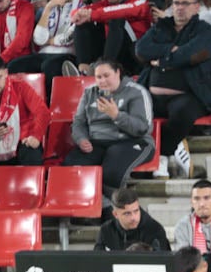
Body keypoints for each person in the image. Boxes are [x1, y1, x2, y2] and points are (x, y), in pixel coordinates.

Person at [135, 0, 211, 178]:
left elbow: (192, 55)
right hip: (152, 95)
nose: (179, 7)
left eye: (185, 3)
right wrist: (171, 51)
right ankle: (140, 161)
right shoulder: (161, 27)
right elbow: (141, 50)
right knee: (130, 112)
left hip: (191, 94)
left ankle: (164, 155)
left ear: (196, 6)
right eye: (176, 3)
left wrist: (162, 59)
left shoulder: (205, 30)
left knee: (182, 112)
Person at [64, 60, 155, 206]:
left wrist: (117, 116)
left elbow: (144, 127)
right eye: (98, 77)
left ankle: (120, 208)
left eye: (106, 75)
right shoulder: (89, 92)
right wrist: (81, 138)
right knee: (71, 166)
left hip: (132, 140)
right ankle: (105, 207)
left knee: (111, 171)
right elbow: (79, 122)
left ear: (118, 73)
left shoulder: (137, 92)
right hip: (98, 141)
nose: (102, 80)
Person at [94, 188, 171, 252]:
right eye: (127, 213)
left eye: (136, 211)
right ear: (115, 214)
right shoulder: (106, 230)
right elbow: (97, 261)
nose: (133, 218)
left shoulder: (155, 230)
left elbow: (164, 265)